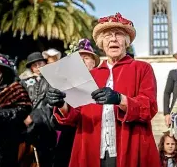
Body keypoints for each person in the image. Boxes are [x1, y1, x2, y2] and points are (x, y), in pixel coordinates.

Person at [47, 12, 160, 167]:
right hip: (92, 147)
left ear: (126, 41)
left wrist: (120, 99)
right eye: (107, 36)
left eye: (119, 34)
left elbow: (149, 106)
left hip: (130, 146)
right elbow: (76, 116)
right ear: (101, 43)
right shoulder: (91, 75)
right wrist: (62, 104)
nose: (113, 39)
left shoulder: (142, 68)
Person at [53, 38, 100, 167]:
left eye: (86, 57)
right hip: (69, 136)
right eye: (78, 58)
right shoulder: (62, 83)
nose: (82, 61)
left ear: (94, 63)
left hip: (94, 135)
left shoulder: (103, 83)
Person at [20, 52, 57, 167]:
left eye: (40, 64)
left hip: (47, 124)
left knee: (46, 157)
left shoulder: (53, 80)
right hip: (28, 126)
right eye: (35, 65)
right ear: (31, 67)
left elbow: (52, 103)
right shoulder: (24, 82)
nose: (38, 67)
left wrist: (35, 116)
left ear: (45, 64)